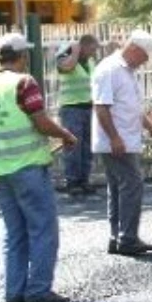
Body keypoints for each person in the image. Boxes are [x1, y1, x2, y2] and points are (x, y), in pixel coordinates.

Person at [0, 32, 77, 302]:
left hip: (0, 171)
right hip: (28, 168)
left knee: (15, 233)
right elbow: (41, 122)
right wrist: (66, 135)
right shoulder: (24, 82)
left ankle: (14, 291)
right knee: (43, 229)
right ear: (23, 56)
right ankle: (39, 290)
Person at [92, 30, 152, 256]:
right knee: (132, 185)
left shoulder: (127, 71)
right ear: (133, 48)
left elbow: (131, 108)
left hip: (123, 140)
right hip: (116, 141)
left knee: (118, 189)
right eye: (143, 57)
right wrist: (114, 138)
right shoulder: (109, 69)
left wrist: (150, 127)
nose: (144, 63)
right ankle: (127, 238)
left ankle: (118, 238)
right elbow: (101, 107)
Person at [56, 34, 99, 196]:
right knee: (73, 145)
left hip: (88, 107)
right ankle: (72, 180)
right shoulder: (65, 56)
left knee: (87, 146)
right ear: (83, 46)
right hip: (71, 107)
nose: (94, 53)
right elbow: (67, 67)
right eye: (92, 49)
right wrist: (74, 52)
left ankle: (84, 179)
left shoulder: (90, 62)